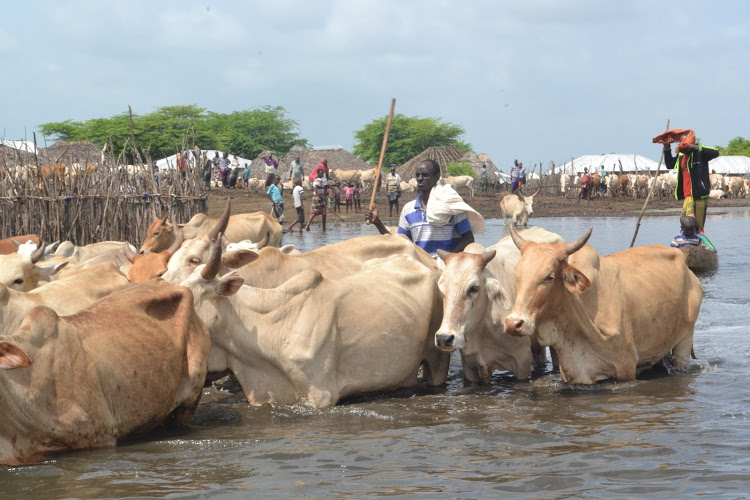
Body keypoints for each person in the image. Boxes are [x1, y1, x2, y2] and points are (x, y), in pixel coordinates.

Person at [366, 159, 474, 257]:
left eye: (425, 175)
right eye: (418, 175)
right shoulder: (408, 209)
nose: (420, 179)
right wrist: (377, 222)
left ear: (437, 177)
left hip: (446, 269)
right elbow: (400, 244)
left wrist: (448, 258)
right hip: (421, 268)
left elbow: (469, 239)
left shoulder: (450, 206)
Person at [663, 135, 720, 231]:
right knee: (687, 225)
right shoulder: (681, 156)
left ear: (691, 143)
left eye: (684, 144)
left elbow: (716, 152)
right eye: (681, 143)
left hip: (700, 195)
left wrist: (697, 147)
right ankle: (689, 243)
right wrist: (667, 148)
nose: (681, 146)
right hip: (688, 196)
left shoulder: (700, 153)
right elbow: (669, 164)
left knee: (698, 226)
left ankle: (699, 243)